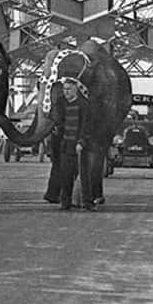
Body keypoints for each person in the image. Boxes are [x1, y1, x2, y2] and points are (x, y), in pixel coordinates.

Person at [46, 79, 92, 211]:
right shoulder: (61, 103)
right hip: (66, 144)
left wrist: (81, 142)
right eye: (64, 89)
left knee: (83, 175)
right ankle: (65, 202)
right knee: (65, 175)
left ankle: (87, 202)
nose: (66, 92)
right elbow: (58, 120)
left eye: (68, 89)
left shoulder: (83, 104)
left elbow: (86, 125)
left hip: (79, 146)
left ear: (75, 90)